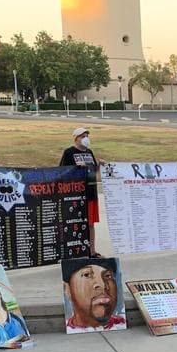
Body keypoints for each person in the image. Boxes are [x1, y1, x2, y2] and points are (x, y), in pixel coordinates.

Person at [60, 127, 102, 255]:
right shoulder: (69, 152)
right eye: (82, 136)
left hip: (90, 193)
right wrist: (76, 168)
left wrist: (99, 165)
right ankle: (73, 251)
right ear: (76, 139)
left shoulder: (89, 152)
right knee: (74, 223)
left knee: (90, 224)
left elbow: (94, 171)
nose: (86, 139)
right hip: (76, 195)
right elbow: (61, 172)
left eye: (87, 136)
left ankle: (92, 251)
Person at [62, 257, 126, 332]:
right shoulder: (70, 329)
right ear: (67, 288)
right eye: (87, 275)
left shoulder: (121, 323)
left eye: (108, 276)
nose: (103, 285)